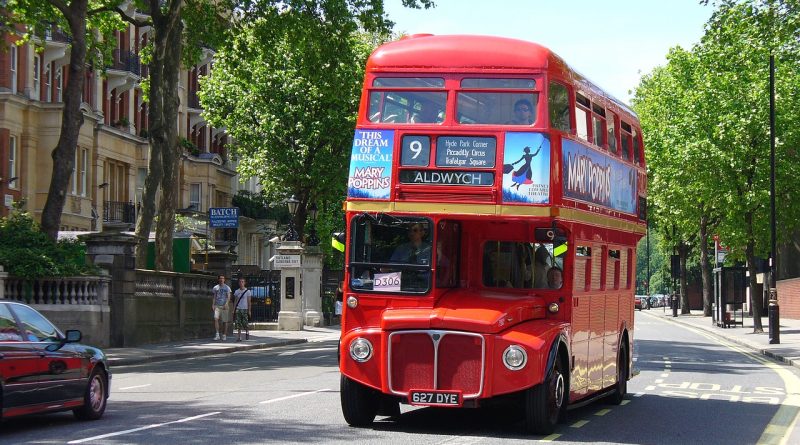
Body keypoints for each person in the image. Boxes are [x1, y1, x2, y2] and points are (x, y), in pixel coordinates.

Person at [211, 275, 231, 341]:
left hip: (224, 306)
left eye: (223, 278)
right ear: (218, 279)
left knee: (225, 321)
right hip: (217, 305)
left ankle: (224, 335)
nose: (221, 279)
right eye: (220, 278)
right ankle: (217, 334)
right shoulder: (215, 287)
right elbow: (214, 297)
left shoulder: (227, 288)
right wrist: (213, 304)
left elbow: (228, 297)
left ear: (224, 279)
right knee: (216, 319)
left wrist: (226, 304)